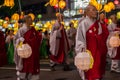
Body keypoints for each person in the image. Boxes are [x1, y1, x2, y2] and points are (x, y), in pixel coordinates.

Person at [75, 4, 109, 80]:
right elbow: (80, 38)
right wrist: (82, 48)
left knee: (98, 70)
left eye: (96, 10)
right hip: (89, 52)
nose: (96, 12)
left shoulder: (98, 24)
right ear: (87, 12)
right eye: (93, 10)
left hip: (98, 52)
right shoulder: (83, 23)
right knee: (91, 71)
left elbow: (103, 36)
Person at [14, 15, 42, 80]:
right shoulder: (21, 30)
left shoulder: (33, 29)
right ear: (26, 20)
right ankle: (23, 77)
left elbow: (38, 37)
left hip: (33, 51)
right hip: (26, 51)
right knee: (26, 65)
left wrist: (40, 36)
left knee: (32, 65)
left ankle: (28, 77)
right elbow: (16, 40)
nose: (32, 21)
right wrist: (20, 40)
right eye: (30, 19)